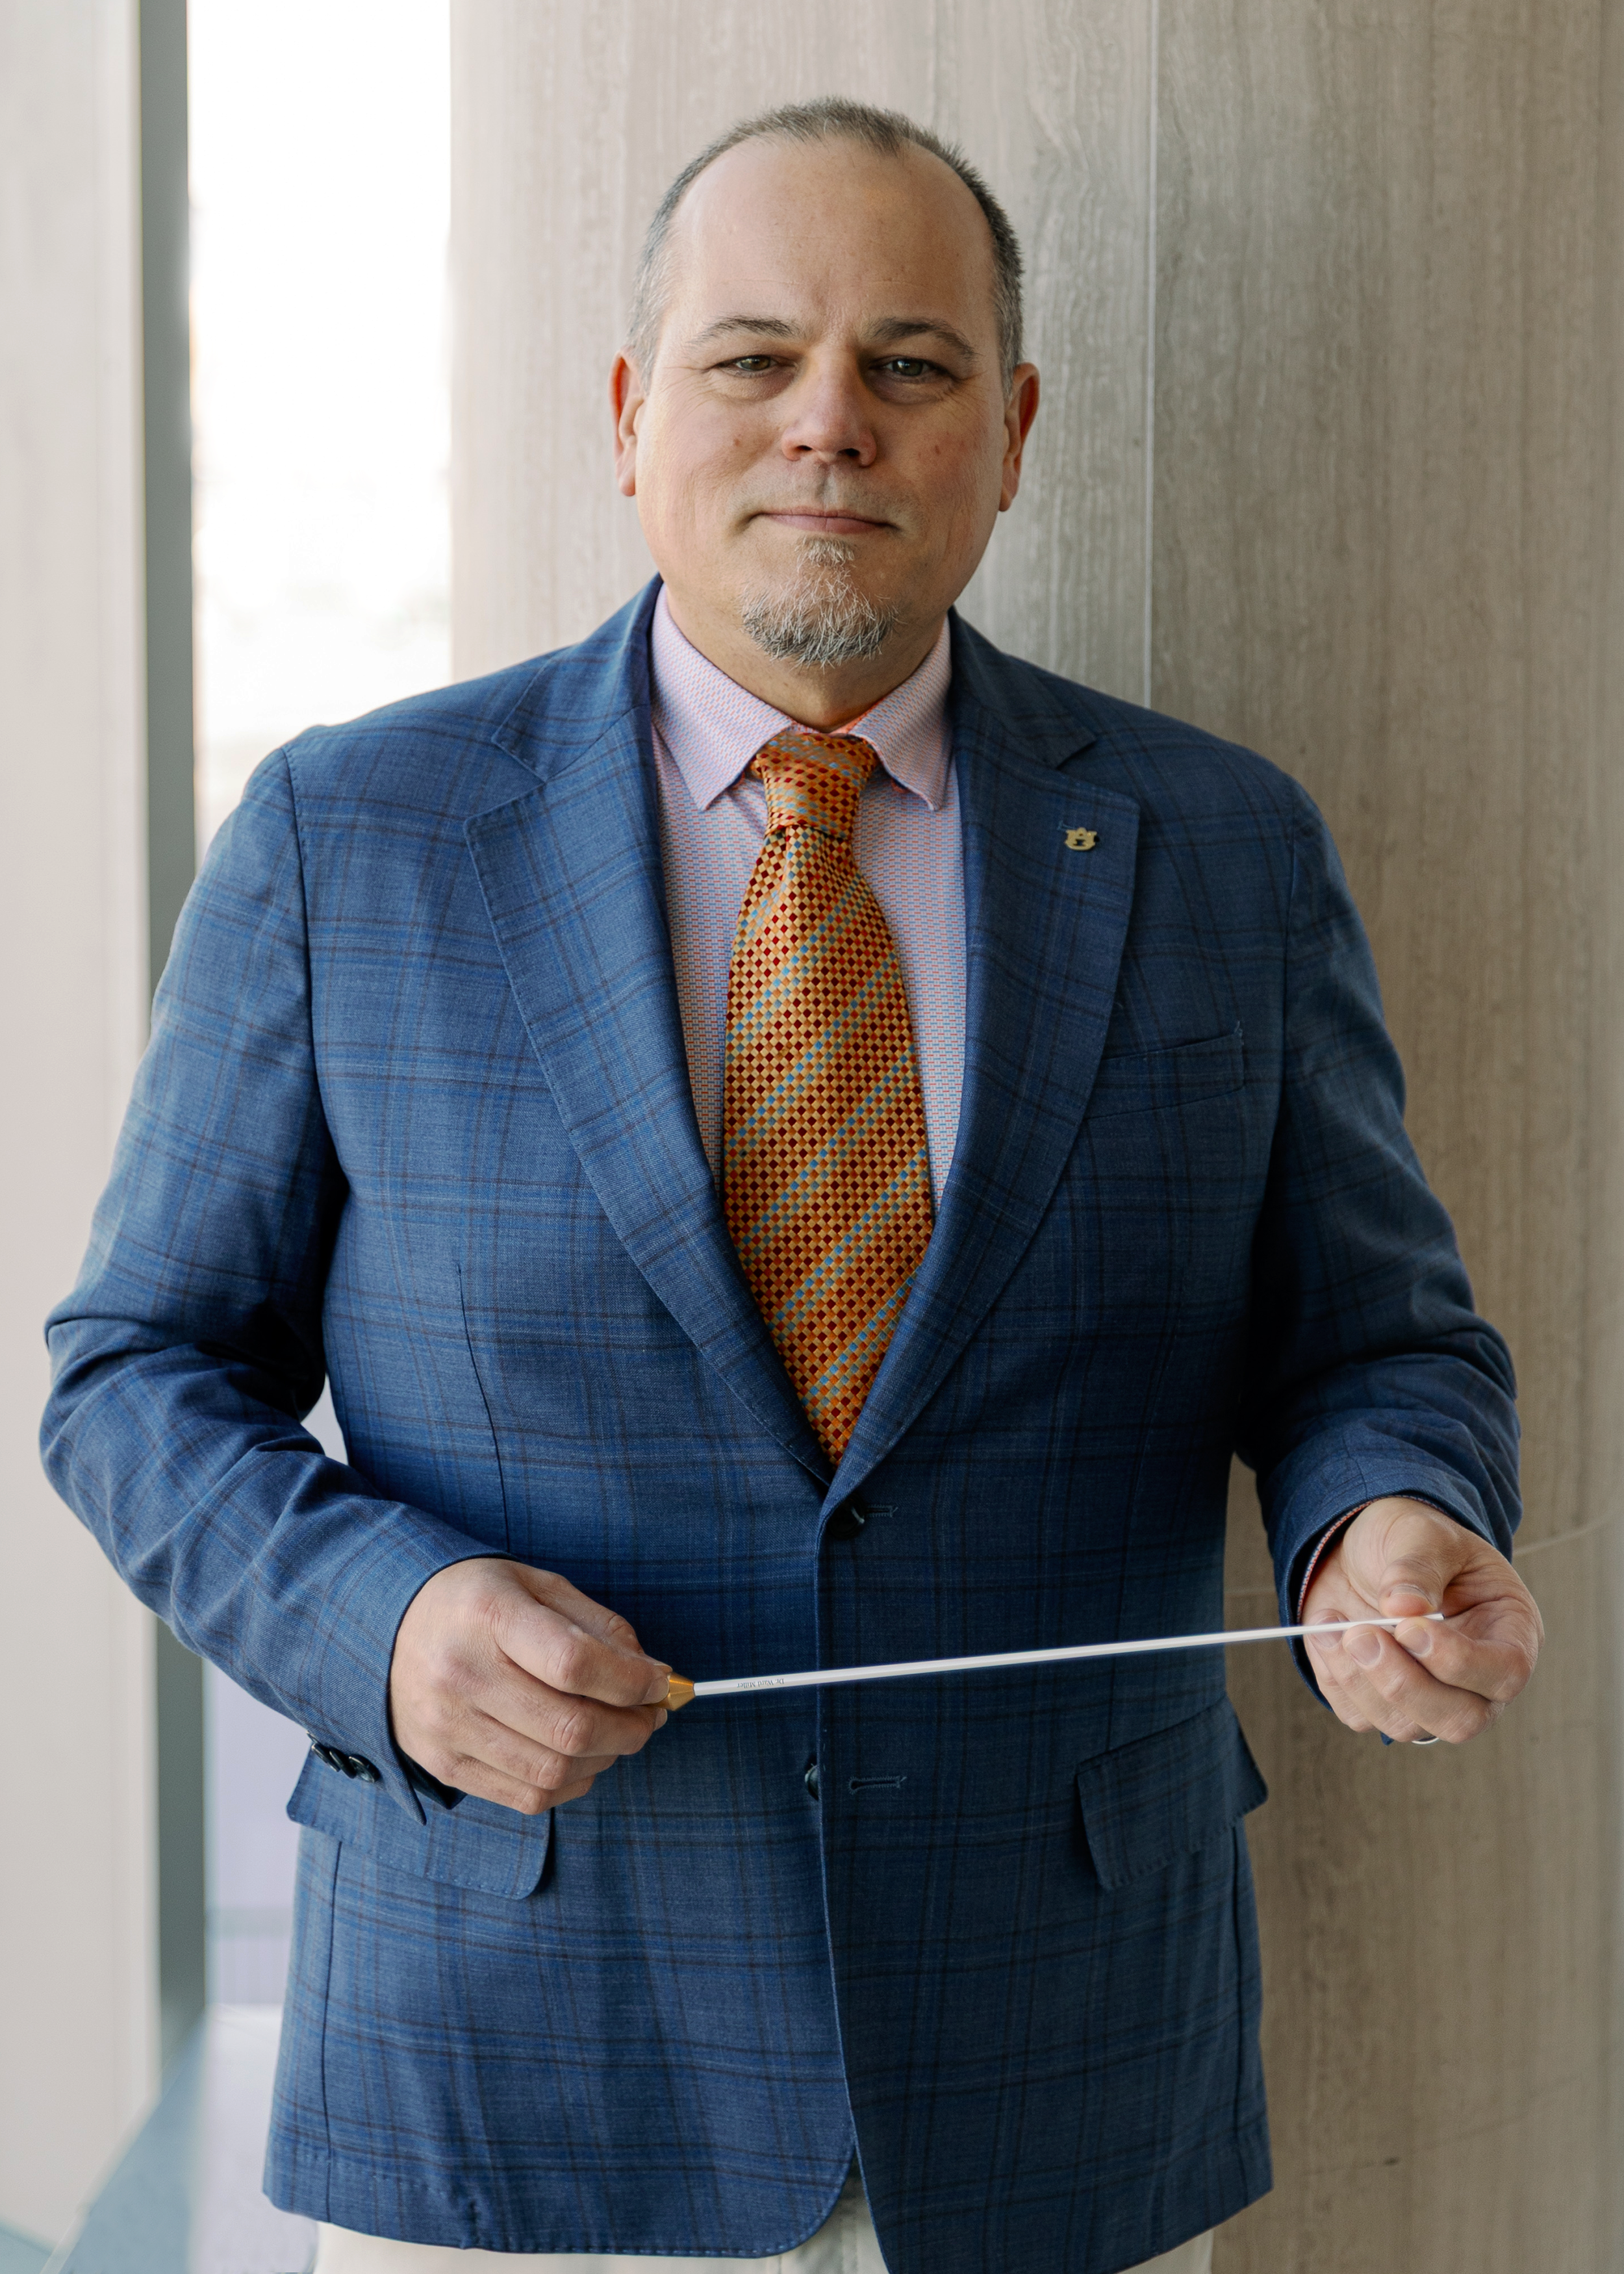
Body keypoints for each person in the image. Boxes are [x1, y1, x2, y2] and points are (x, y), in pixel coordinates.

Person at [42, 97, 1540, 2274]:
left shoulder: (1222, 847)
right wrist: (384, 1624)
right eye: (752, 358)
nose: (827, 423)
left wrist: (1385, 1510)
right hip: (512, 2053)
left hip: (1057, 2068)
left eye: (908, 365)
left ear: (1008, 431)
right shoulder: (346, 835)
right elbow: (133, 1374)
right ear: (635, 414)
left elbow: (1376, 1338)